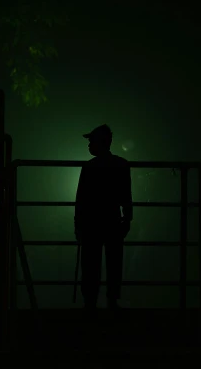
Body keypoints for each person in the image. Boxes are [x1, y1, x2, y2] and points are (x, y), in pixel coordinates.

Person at [74, 124, 133, 314]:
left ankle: (90, 301)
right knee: (114, 262)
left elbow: (81, 199)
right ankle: (112, 300)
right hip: (113, 220)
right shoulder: (122, 165)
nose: (89, 145)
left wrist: (78, 225)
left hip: (92, 223)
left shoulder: (89, 167)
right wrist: (128, 218)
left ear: (99, 143)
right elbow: (126, 195)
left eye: (91, 141)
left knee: (90, 263)